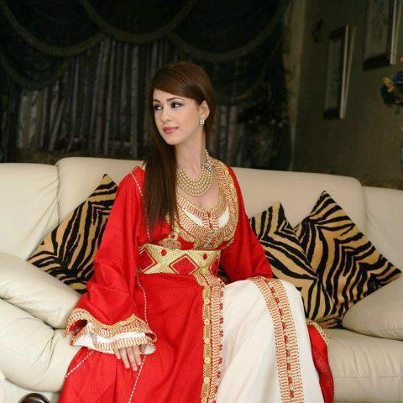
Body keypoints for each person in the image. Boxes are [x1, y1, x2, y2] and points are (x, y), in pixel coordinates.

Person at [59, 61, 333, 403]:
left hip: (212, 300)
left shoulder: (226, 178)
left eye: (176, 104)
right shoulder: (141, 182)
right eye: (158, 107)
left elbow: (247, 259)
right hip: (163, 306)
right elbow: (114, 260)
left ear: (204, 110)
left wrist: (280, 315)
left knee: (283, 295)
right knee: (281, 298)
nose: (164, 117)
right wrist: (121, 324)